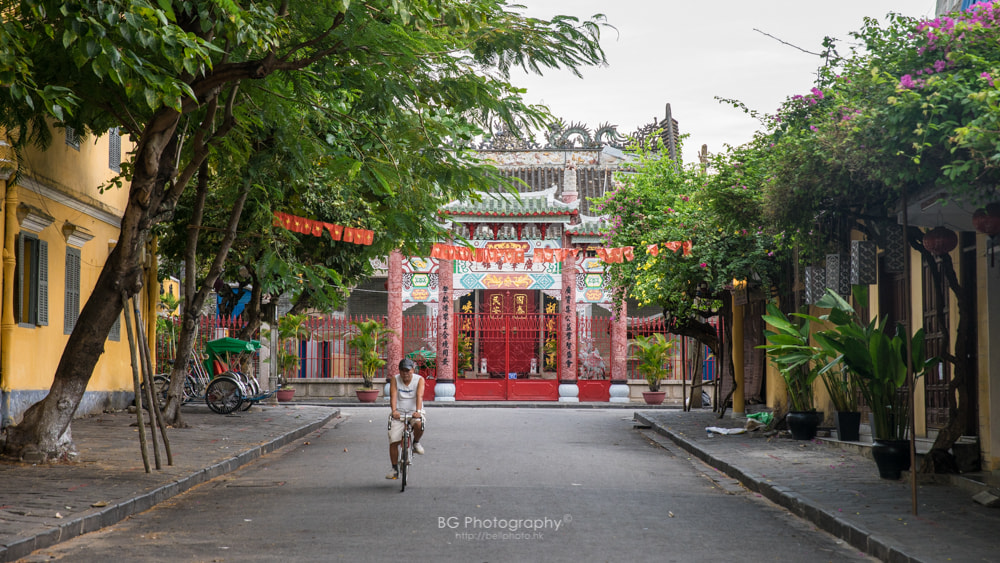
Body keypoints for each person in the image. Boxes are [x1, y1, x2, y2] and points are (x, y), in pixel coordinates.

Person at [386, 358, 426, 479]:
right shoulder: (395, 379)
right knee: (394, 440)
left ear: (413, 370)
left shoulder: (419, 379)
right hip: (399, 412)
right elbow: (393, 396)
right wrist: (394, 411)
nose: (405, 373)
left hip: (414, 412)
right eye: (403, 370)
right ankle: (394, 469)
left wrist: (418, 412)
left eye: (408, 370)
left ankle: (416, 442)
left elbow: (419, 395)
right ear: (399, 371)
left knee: (419, 424)